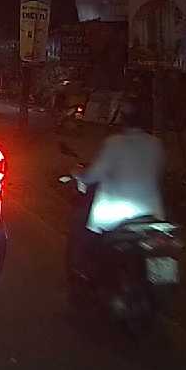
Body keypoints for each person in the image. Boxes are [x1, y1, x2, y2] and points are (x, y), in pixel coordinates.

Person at [67, 101, 166, 280]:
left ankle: (84, 272)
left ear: (123, 120)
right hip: (152, 214)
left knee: (84, 229)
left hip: (117, 215)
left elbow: (94, 174)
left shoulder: (115, 143)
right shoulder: (156, 144)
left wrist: (78, 175)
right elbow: (157, 173)